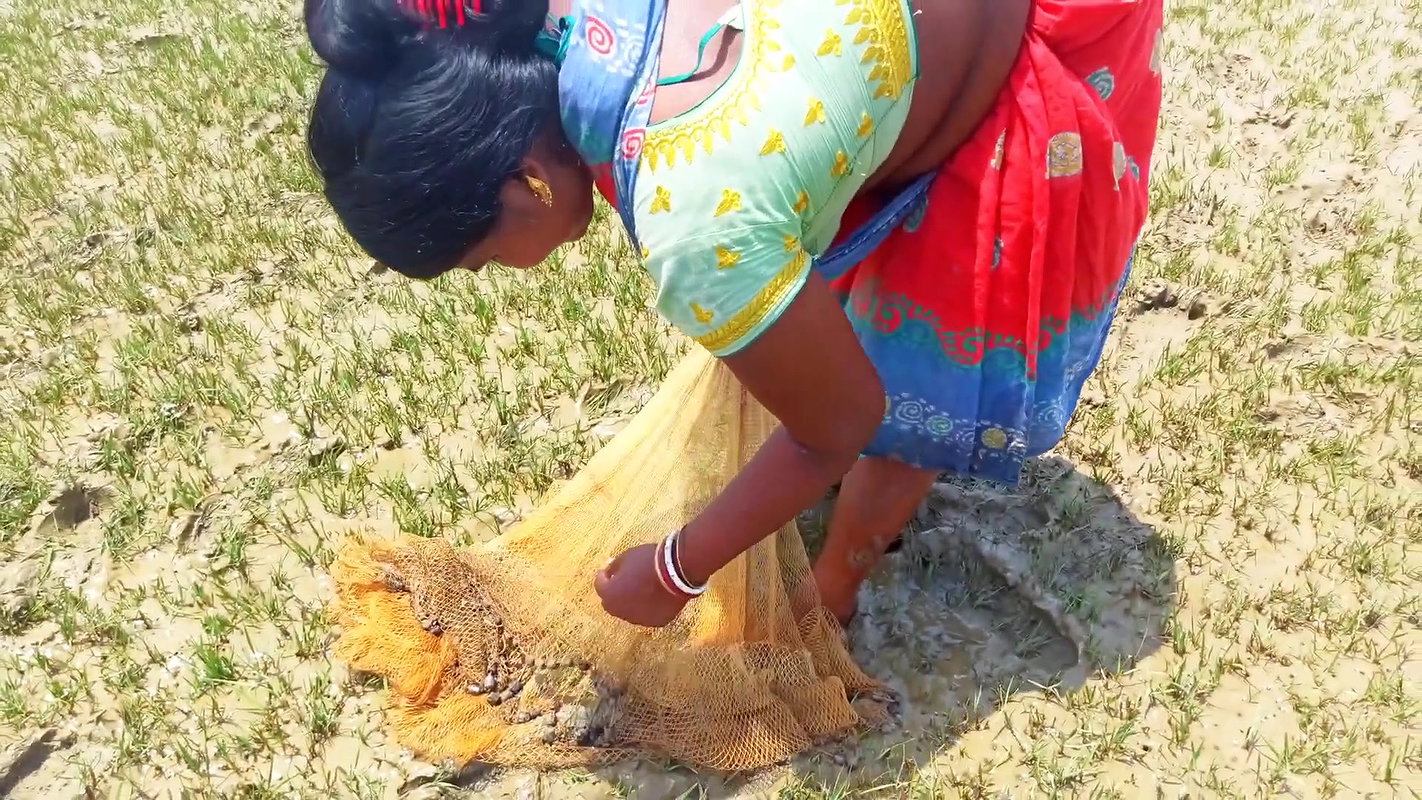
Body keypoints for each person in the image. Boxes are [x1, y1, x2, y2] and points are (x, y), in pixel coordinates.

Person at [303, 0, 1164, 628]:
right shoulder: (548, 23)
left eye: (483, 259)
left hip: (1010, 78)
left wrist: (675, 571)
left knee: (911, 389)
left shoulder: (694, 218)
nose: (502, 271)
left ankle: (832, 591)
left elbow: (843, 423)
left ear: (526, 184)